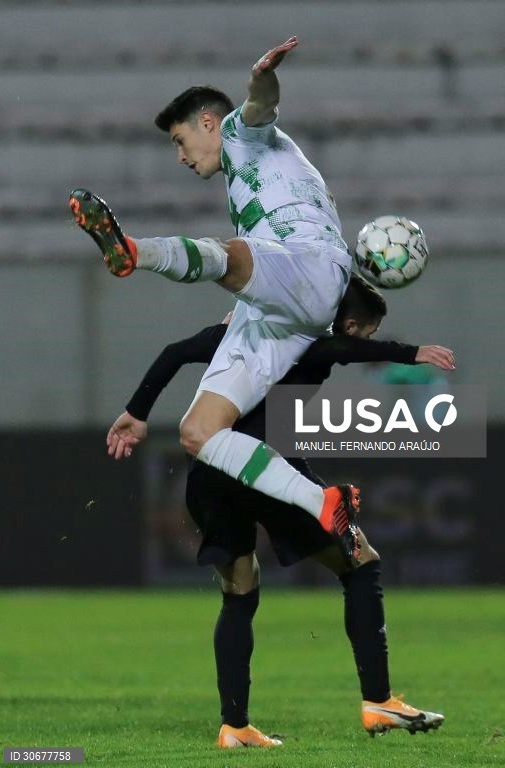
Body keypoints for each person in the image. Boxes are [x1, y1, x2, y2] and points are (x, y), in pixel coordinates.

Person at [69, 36, 379, 559]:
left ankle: (134, 251)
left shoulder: (240, 134)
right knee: (199, 433)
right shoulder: (247, 182)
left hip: (313, 266)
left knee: (227, 255)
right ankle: (324, 502)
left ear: (209, 123)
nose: (180, 156)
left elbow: (261, 105)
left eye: (179, 139)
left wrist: (261, 75)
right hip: (285, 305)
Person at [107, 275, 449, 746]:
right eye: (366, 331)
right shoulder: (308, 340)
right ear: (350, 324)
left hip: (208, 469)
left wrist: (137, 412)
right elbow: (342, 349)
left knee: (239, 589)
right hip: (268, 465)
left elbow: (173, 352)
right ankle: (379, 701)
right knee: (360, 562)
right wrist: (412, 353)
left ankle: (235, 726)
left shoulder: (244, 330)